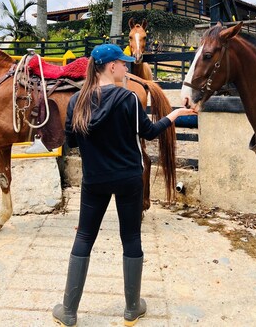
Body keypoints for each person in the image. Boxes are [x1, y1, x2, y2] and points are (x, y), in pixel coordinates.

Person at [53, 43, 196, 327]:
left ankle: (68, 312)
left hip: (94, 180)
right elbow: (150, 132)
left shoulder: (76, 102)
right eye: (123, 62)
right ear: (111, 66)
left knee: (84, 239)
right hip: (129, 178)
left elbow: (70, 141)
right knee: (130, 238)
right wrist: (176, 115)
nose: (127, 67)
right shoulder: (128, 99)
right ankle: (132, 309)